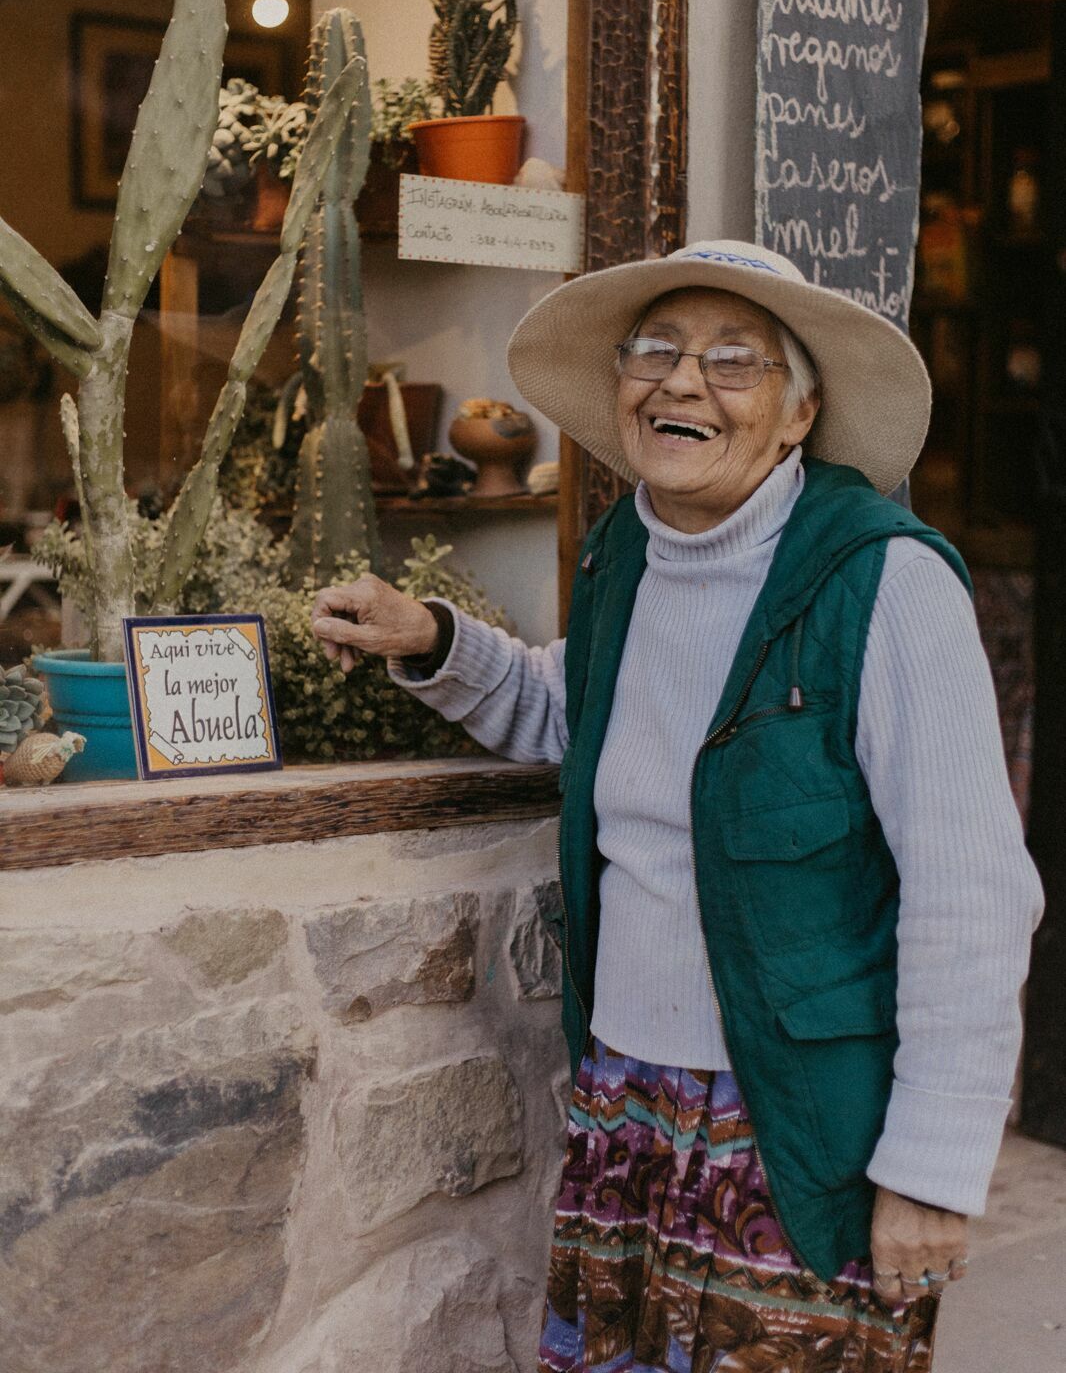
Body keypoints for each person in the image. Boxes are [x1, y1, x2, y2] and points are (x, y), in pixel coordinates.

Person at [311, 241, 1044, 1373]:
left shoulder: (886, 585)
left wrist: (931, 1169)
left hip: (799, 1121)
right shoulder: (625, 559)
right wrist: (436, 643)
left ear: (799, 414)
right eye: (654, 349)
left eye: (733, 359)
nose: (681, 381)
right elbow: (579, 714)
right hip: (628, 1100)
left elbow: (972, 896)